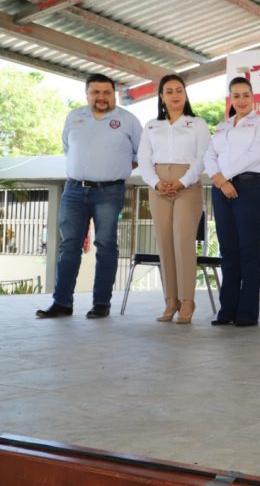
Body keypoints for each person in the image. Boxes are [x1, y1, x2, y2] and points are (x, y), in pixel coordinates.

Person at [36, 73, 142, 320]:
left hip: (109, 191)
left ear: (114, 95)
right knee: (69, 246)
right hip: (73, 190)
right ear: (87, 94)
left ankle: (101, 303)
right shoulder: (74, 117)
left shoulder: (127, 120)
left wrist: (114, 169)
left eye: (107, 92)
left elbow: (140, 154)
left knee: (105, 245)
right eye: (95, 92)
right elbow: (68, 148)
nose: (101, 97)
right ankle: (62, 303)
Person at [138, 74, 210, 324]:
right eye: (169, 91)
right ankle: (171, 299)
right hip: (158, 186)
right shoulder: (151, 126)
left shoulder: (197, 123)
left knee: (183, 241)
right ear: (161, 96)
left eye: (179, 90)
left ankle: (187, 299)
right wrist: (156, 182)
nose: (175, 95)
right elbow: (143, 159)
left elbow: (202, 157)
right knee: (165, 242)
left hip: (186, 185)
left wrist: (182, 181)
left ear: (185, 94)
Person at [204, 77, 260, 327]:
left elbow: (256, 154)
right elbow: (209, 154)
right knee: (228, 251)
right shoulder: (223, 126)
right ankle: (227, 311)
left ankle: (247, 312)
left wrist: (224, 176)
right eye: (236, 96)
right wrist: (219, 179)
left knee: (248, 250)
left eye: (246, 95)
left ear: (253, 97)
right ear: (230, 99)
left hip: (250, 188)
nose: (241, 100)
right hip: (221, 189)